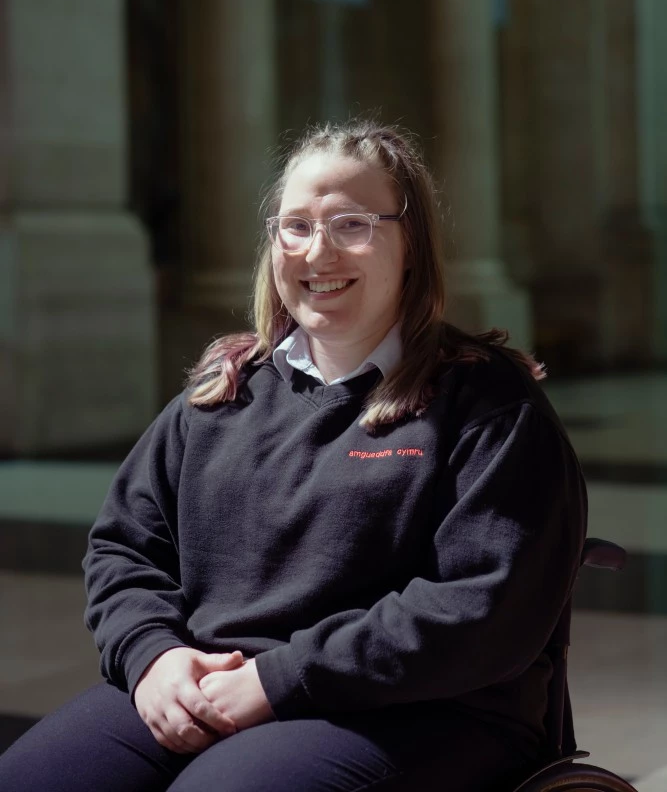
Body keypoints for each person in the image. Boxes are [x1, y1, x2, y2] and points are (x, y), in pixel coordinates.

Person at [0, 119, 587, 792]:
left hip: (424, 711)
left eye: (351, 225)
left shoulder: (486, 403)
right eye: (296, 226)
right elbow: (125, 549)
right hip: (211, 684)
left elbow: (481, 606)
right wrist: (153, 656)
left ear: (411, 248)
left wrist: (277, 680)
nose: (317, 252)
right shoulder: (224, 393)